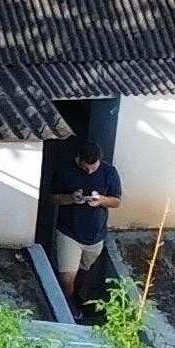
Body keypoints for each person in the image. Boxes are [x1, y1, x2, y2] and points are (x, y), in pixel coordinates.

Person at [49, 123, 121, 312]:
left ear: (99, 161)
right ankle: (66, 310)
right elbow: (52, 198)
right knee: (66, 278)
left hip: (96, 235)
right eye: (85, 167)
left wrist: (101, 200)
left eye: (93, 168)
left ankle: (75, 301)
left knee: (83, 272)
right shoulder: (65, 170)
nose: (89, 171)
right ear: (78, 159)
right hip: (69, 232)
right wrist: (71, 198)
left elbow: (116, 201)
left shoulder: (109, 172)